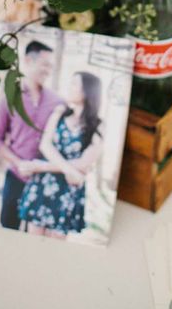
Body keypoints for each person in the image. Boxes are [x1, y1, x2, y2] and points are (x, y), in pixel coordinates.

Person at [18, 71, 103, 239]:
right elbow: (45, 145)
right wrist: (70, 170)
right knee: (31, 242)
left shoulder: (98, 126)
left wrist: (40, 166)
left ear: (87, 91)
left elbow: (84, 163)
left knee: (55, 247)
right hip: (43, 184)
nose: (69, 87)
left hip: (67, 191)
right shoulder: (59, 113)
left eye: (74, 84)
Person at [0, 40, 63, 230]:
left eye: (51, 66)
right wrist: (19, 163)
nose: (48, 70)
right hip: (16, 177)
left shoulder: (57, 102)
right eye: (45, 64)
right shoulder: (9, 98)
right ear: (28, 61)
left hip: (45, 180)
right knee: (8, 228)